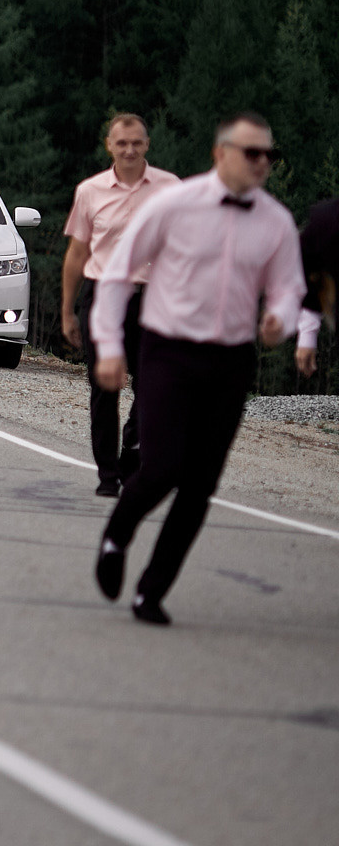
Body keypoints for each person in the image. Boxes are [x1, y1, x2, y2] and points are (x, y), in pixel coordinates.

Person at [91, 112, 308, 625]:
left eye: (268, 156)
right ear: (221, 154)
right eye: (252, 153)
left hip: (231, 360)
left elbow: (289, 287)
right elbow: (119, 275)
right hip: (167, 350)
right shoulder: (174, 205)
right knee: (162, 468)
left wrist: (281, 318)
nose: (262, 164)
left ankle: (152, 590)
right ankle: (116, 536)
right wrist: (109, 347)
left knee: (200, 484)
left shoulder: (275, 221)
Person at [60, 113, 181, 496]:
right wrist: (66, 311)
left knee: (155, 388)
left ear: (147, 144)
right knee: (103, 388)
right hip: (101, 296)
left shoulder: (170, 189)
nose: (129, 150)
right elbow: (77, 254)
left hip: (153, 300)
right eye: (121, 143)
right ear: (109, 145)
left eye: (137, 143)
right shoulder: (90, 191)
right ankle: (107, 475)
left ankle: (133, 449)